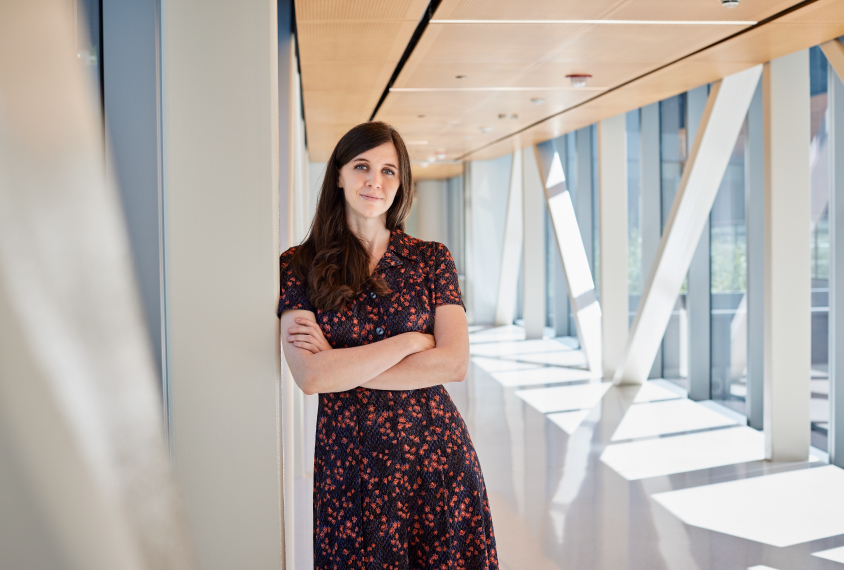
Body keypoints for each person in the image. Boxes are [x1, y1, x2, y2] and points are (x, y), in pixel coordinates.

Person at [278, 121, 498, 569]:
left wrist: (343, 366)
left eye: (388, 171)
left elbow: (453, 364)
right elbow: (312, 376)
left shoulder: (432, 259)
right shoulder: (298, 264)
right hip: (349, 468)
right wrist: (412, 342)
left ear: (402, 184)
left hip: (434, 456)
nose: (374, 181)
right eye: (362, 166)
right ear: (338, 174)